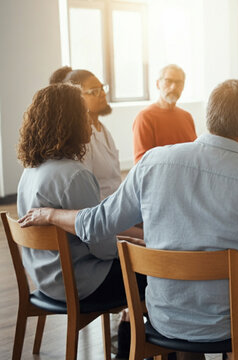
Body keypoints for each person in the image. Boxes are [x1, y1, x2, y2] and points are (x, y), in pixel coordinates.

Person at [19, 79, 238, 360]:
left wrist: (51, 213)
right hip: (232, 321)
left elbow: (96, 225)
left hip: (164, 316)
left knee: (180, 292)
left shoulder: (152, 162)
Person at [16, 84, 146, 357]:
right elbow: (103, 248)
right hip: (80, 284)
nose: (90, 120)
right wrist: (133, 242)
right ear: (70, 121)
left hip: (45, 278)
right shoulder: (75, 175)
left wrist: (123, 235)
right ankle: (131, 349)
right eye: (84, 114)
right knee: (158, 275)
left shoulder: (30, 171)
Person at [50, 66, 122, 200]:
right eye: (94, 91)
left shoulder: (103, 130)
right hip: (97, 208)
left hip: (114, 203)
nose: (102, 94)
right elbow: (85, 188)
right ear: (76, 98)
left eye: (102, 88)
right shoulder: (81, 138)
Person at [132, 64, 197, 164]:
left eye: (179, 82)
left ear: (183, 86)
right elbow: (141, 162)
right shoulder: (145, 117)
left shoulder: (187, 117)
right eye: (168, 81)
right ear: (158, 84)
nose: (173, 87)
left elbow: (194, 153)